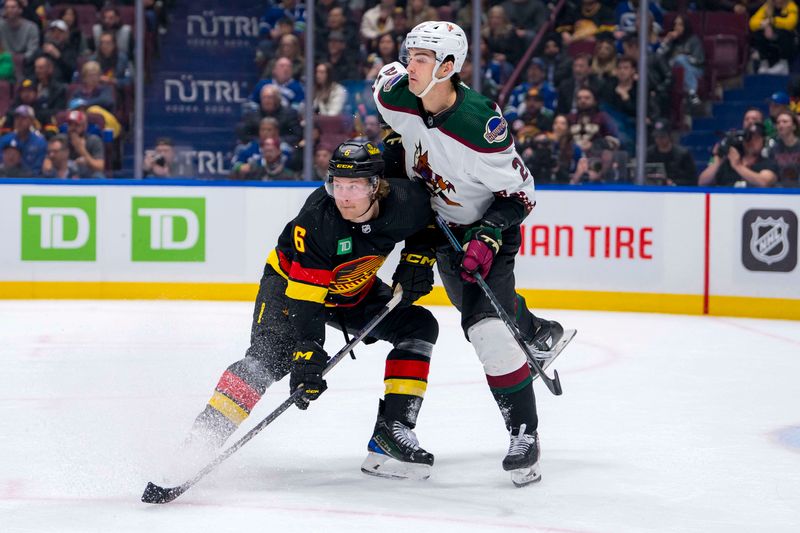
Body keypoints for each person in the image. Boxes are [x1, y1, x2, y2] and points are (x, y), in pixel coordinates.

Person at [373, 21, 566, 487]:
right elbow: (395, 119)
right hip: (436, 227)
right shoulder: (394, 96)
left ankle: (525, 435)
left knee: (487, 332)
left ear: (448, 67)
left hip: (485, 232)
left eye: (422, 59)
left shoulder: (481, 123)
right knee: (471, 307)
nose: (411, 66)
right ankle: (538, 330)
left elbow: (521, 196)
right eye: (409, 55)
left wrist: (488, 236)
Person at [184, 139, 441, 480]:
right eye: (337, 184)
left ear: (376, 186)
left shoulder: (408, 202)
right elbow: (306, 298)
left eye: (354, 186)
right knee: (269, 358)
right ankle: (199, 442)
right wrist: (309, 349)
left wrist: (417, 259)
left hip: (353, 287)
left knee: (418, 327)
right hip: (292, 287)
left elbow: (430, 223)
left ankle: (391, 433)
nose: (344, 196)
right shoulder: (318, 219)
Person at [698, 122, 778, 187]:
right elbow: (702, 182)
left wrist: (738, 166)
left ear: (763, 141)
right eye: (748, 138)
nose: (751, 142)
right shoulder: (727, 164)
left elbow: (764, 182)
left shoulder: (768, 164)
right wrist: (718, 160)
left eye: (756, 138)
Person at [657, 14, 704, 107]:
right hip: (675, 71)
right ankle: (692, 93)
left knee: (680, 59)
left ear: (685, 26)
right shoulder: (672, 41)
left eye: (680, 25)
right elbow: (658, 56)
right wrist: (666, 40)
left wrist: (684, 58)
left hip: (695, 70)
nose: (677, 27)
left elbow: (698, 60)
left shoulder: (693, 40)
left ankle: (691, 91)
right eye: (675, 25)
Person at [749, 0, 798, 74]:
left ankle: (783, 64)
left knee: (785, 33)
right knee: (758, 33)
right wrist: (764, 25)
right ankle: (764, 62)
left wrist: (773, 21)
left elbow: (790, 23)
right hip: (770, 35)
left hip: (788, 39)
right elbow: (752, 23)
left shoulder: (791, 6)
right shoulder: (767, 6)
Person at [646, 120, 697, 186]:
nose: (659, 140)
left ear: (669, 135)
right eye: (656, 137)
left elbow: (692, 179)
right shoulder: (650, 153)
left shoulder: (683, 154)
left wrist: (674, 183)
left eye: (662, 136)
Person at [0, 105, 47, 173]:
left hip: (30, 180)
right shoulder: (5, 140)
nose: (19, 121)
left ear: (31, 121)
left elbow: (38, 168)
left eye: (23, 118)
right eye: (16, 118)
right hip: (7, 179)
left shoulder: (40, 142)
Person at [771, 110, 800, 187]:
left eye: (785, 122)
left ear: (794, 126)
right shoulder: (773, 149)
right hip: (780, 192)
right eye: (778, 122)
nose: (781, 125)